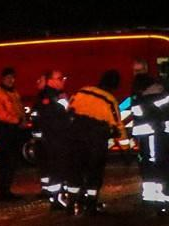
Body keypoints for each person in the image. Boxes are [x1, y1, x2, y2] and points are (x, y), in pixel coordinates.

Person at [68, 69, 124, 213]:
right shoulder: (109, 99)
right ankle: (91, 204)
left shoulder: (83, 91)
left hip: (76, 138)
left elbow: (70, 109)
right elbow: (117, 124)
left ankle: (72, 203)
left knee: (76, 171)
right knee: (94, 173)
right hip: (96, 141)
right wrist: (125, 145)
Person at [32, 72, 74, 208]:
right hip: (55, 138)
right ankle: (56, 199)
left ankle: (57, 197)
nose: (63, 81)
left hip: (56, 137)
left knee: (57, 169)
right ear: (50, 81)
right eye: (60, 78)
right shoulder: (48, 96)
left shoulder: (56, 94)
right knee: (56, 169)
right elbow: (59, 116)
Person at [128, 72, 168, 213]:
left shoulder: (145, 99)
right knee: (157, 166)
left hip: (152, 137)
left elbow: (141, 118)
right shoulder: (162, 95)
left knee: (153, 167)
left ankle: (157, 200)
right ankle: (156, 199)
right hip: (157, 137)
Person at [0, 66, 25, 200]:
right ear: (3, 78)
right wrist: (17, 120)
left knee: (12, 162)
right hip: (4, 130)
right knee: (6, 162)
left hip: (14, 130)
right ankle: (4, 192)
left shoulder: (13, 92)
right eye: (8, 77)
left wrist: (23, 120)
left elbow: (19, 108)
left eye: (12, 77)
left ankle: (7, 190)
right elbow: (0, 113)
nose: (11, 80)